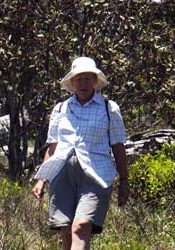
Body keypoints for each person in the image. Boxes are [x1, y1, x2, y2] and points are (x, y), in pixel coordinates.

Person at [31, 57, 128, 250]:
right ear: (73, 82)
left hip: (96, 174)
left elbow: (118, 146)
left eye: (87, 78)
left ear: (95, 81)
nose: (83, 83)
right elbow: (53, 146)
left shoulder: (109, 108)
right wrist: (41, 180)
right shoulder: (61, 109)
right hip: (62, 172)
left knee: (81, 226)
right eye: (79, 79)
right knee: (66, 229)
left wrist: (124, 180)